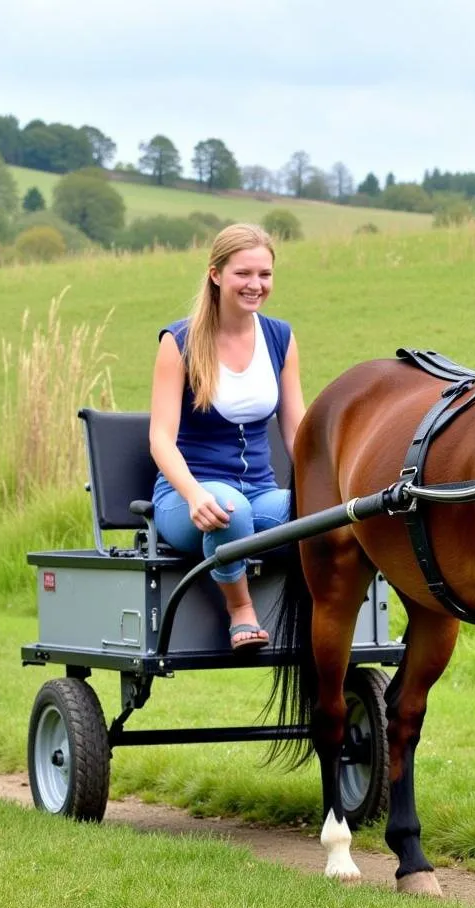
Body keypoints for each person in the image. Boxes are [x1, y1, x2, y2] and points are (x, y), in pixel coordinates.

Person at [150, 223, 305, 650]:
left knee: (316, 516)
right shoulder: (179, 341)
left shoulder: (280, 338)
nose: (256, 285)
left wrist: (329, 487)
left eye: (265, 275)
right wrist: (195, 494)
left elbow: (297, 430)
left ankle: (320, 621)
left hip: (259, 491)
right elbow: (161, 439)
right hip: (187, 499)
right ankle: (240, 611)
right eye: (244, 274)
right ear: (216, 274)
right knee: (227, 510)